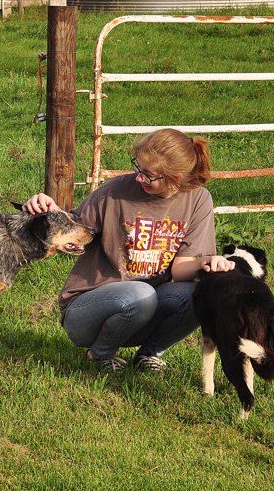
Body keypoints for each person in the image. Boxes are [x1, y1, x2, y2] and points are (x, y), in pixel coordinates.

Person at [22, 128, 235, 373]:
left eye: (148, 175)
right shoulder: (115, 190)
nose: (139, 178)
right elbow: (75, 228)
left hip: (145, 307)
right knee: (139, 294)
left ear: (176, 178)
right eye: (138, 169)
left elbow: (180, 270)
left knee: (203, 293)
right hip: (87, 311)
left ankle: (150, 353)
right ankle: (100, 354)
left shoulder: (198, 200)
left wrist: (204, 263)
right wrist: (47, 211)